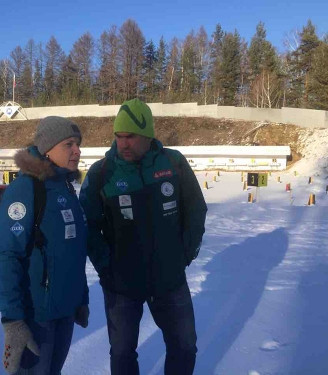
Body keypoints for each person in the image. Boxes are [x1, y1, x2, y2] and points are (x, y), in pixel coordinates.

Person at [79, 98, 207, 375]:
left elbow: (196, 210)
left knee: (185, 347)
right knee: (123, 354)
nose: (123, 143)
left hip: (169, 280)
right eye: (118, 136)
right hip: (122, 285)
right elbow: (86, 225)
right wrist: (107, 266)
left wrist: (183, 255)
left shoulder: (173, 163)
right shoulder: (103, 172)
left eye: (130, 137)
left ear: (147, 135)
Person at [0, 116, 89, 375]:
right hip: (36, 317)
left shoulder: (66, 188)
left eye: (78, 144)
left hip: (65, 312)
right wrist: (13, 321)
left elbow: (75, 251)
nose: (77, 151)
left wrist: (80, 298)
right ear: (48, 149)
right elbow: (6, 256)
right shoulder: (25, 190)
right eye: (69, 144)